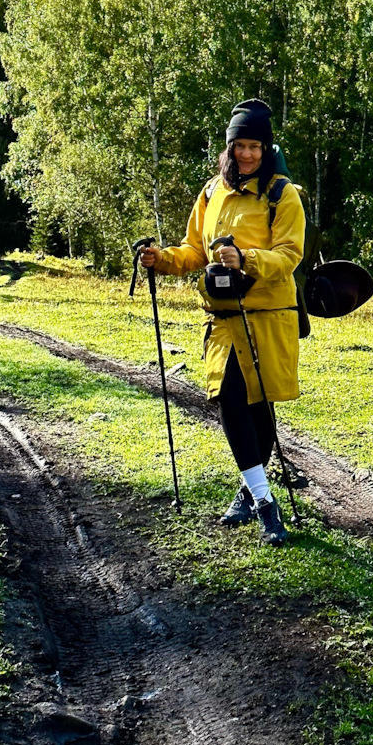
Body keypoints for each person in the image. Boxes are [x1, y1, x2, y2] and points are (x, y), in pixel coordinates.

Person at [140, 98, 305, 545]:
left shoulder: (281, 194)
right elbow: (194, 250)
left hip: (269, 316)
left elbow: (291, 254)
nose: (247, 154)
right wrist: (161, 259)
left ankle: (247, 491)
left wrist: (245, 258)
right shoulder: (212, 192)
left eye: (255, 146)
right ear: (228, 149)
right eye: (239, 147)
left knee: (259, 408)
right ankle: (265, 502)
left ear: (266, 149)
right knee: (230, 399)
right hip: (224, 318)